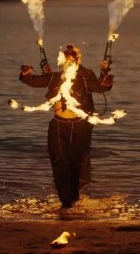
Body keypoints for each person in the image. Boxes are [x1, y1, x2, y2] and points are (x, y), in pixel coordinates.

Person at [20, 44, 114, 208]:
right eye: (66, 55)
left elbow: (100, 87)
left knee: (75, 163)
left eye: (73, 55)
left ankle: (73, 197)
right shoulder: (55, 77)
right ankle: (66, 201)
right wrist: (26, 73)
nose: (69, 58)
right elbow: (33, 81)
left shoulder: (84, 78)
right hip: (57, 126)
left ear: (77, 59)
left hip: (78, 126)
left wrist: (106, 79)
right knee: (58, 162)